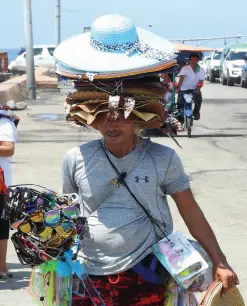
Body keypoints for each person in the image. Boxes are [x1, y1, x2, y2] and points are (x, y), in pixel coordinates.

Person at [57, 14, 239, 305]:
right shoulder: (74, 159)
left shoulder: (162, 158)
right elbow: (68, 217)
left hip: (148, 272)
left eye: (121, 116)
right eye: (101, 115)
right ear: (91, 120)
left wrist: (219, 260)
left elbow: (190, 211)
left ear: (139, 120)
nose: (111, 123)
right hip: (88, 276)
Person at [0, 107, 18, 279]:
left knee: (1, 225)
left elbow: (8, 149)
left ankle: (1, 266)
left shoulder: (3, 121)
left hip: (1, 184)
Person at [178, 53, 205, 120]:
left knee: (199, 99)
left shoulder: (201, 70)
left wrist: (198, 89)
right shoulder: (184, 68)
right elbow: (181, 79)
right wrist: (178, 88)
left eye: (195, 60)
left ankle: (196, 112)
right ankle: (179, 117)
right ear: (189, 61)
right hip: (183, 89)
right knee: (180, 103)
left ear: (198, 60)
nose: (193, 62)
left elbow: (201, 81)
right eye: (192, 60)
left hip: (194, 89)